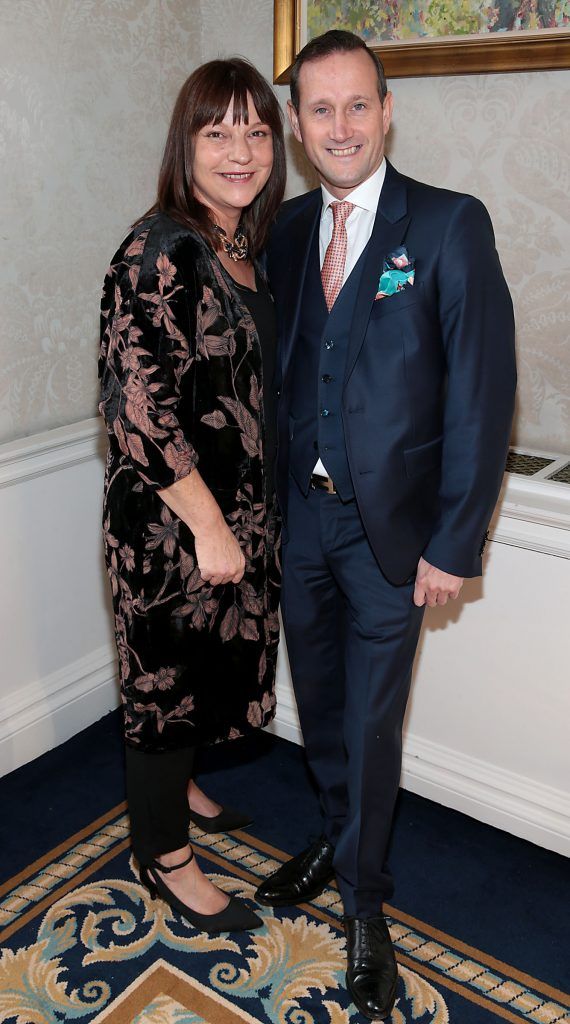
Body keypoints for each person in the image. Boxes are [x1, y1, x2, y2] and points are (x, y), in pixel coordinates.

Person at [255, 30, 516, 1019]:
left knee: (370, 721)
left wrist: (455, 540)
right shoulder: (284, 230)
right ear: (298, 127)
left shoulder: (448, 227)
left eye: (356, 105)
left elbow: (482, 398)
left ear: (388, 108)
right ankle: (334, 829)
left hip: (392, 537)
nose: (340, 127)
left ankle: (365, 903)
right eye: (319, 111)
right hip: (302, 524)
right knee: (319, 702)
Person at [99, 58, 285, 934]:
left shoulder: (242, 242)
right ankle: (164, 855)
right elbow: (137, 407)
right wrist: (209, 525)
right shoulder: (158, 247)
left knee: (210, 672)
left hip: (236, 517)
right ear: (187, 141)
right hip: (174, 526)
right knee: (165, 684)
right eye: (218, 131)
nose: (239, 150)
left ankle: (188, 788)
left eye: (256, 130)